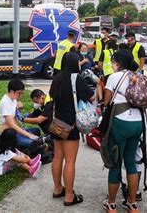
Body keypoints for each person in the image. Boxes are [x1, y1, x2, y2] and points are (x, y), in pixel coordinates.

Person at [49, 52, 94, 206]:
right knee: (70, 162)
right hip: (71, 125)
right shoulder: (77, 79)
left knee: (57, 158)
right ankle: (69, 196)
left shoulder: (57, 78)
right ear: (75, 63)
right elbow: (92, 98)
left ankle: (57, 189)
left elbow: (52, 97)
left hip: (57, 123)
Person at [101, 50, 142, 213]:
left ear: (117, 63)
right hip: (138, 123)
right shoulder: (137, 76)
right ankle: (132, 203)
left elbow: (107, 101)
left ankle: (111, 204)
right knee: (131, 162)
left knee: (115, 163)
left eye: (113, 62)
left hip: (120, 122)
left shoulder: (114, 77)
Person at [0, 79, 41, 149]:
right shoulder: (5, 102)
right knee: (35, 143)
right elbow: (12, 125)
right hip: (9, 135)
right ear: (12, 91)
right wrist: (29, 135)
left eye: (21, 93)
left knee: (37, 131)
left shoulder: (13, 100)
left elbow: (15, 116)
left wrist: (19, 109)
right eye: (19, 93)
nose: (20, 95)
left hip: (16, 131)